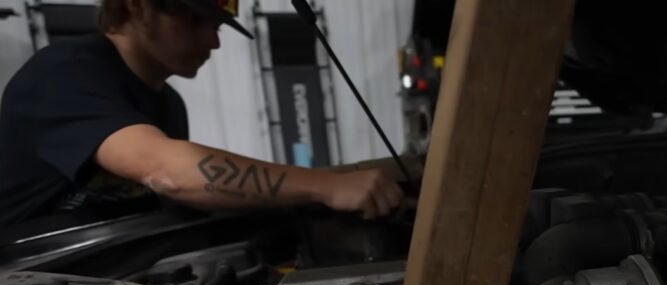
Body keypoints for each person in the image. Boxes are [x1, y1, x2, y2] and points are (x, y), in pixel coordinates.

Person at [0, 0, 405, 229]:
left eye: (218, 25)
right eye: (196, 19)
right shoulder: (64, 72)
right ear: (139, 7)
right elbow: (168, 172)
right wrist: (325, 185)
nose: (213, 41)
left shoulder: (168, 106)